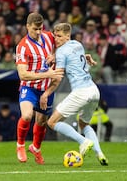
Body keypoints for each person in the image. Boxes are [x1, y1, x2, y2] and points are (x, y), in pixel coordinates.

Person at [40, 22, 109, 166]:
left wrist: (46, 93)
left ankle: (83, 141)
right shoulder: (78, 44)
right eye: (55, 37)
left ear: (67, 36)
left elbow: (58, 77)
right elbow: (76, 56)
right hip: (94, 91)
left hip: (81, 91)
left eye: (59, 36)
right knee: (84, 124)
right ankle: (99, 153)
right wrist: (87, 56)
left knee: (52, 122)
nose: (56, 39)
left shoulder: (61, 52)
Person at [15, 12, 64, 165]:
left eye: (40, 29)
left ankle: (36, 148)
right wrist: (46, 74)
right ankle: (20, 145)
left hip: (46, 88)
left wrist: (55, 55)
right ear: (27, 26)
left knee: (42, 121)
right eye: (35, 29)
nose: (38, 32)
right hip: (29, 87)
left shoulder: (49, 37)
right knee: (28, 115)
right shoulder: (22, 47)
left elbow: (66, 44)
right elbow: (23, 75)